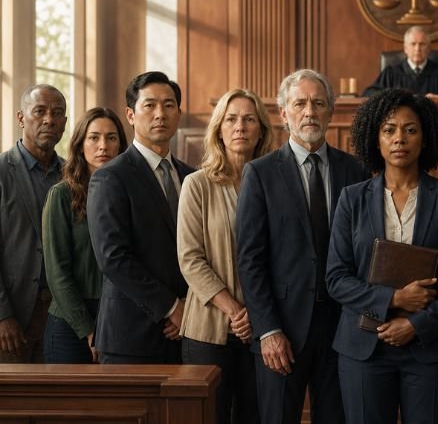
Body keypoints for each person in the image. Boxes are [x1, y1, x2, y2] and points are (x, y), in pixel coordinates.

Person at [326, 88, 438, 424]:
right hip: (364, 347)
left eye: (410, 130)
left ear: (425, 139)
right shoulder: (352, 199)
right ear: (375, 139)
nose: (399, 139)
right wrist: (394, 298)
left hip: (432, 346)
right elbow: (336, 278)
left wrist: (415, 323)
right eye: (389, 129)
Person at [236, 69, 367, 424]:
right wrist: (267, 330)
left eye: (318, 103)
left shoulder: (354, 170)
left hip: (343, 328)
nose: (309, 111)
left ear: (330, 112)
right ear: (283, 113)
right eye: (300, 103)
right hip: (283, 330)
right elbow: (249, 260)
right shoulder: (260, 173)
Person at [178, 89, 273, 423]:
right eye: (231, 119)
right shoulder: (197, 184)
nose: (240, 127)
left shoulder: (275, 184)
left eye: (249, 119)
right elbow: (190, 259)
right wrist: (235, 311)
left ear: (261, 129)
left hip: (264, 329)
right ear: (218, 128)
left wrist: (255, 316)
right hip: (209, 330)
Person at [87, 71, 194, 364]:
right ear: (131, 115)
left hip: (190, 332)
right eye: (150, 105)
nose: (160, 114)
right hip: (131, 337)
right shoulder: (111, 177)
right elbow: (113, 257)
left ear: (179, 113)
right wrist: (172, 307)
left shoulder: (191, 176)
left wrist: (190, 308)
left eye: (169, 105)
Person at [43, 108, 127, 363]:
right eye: (94, 138)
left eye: (111, 138)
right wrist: (89, 330)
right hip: (71, 321)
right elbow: (57, 273)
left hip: (118, 314)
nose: (103, 146)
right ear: (80, 144)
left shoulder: (128, 193)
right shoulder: (61, 195)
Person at [0, 84, 67, 363]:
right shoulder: (3, 171)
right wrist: (2, 315)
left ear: (64, 122)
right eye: (39, 111)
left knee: (59, 403)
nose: (49, 119)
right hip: (13, 314)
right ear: (20, 118)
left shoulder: (72, 174)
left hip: (63, 315)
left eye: (57, 113)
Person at [364, 26, 438, 98]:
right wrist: (391, 96)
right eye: (413, 44)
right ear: (405, 48)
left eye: (422, 44)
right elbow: (368, 93)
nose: (417, 49)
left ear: (429, 48)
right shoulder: (391, 72)